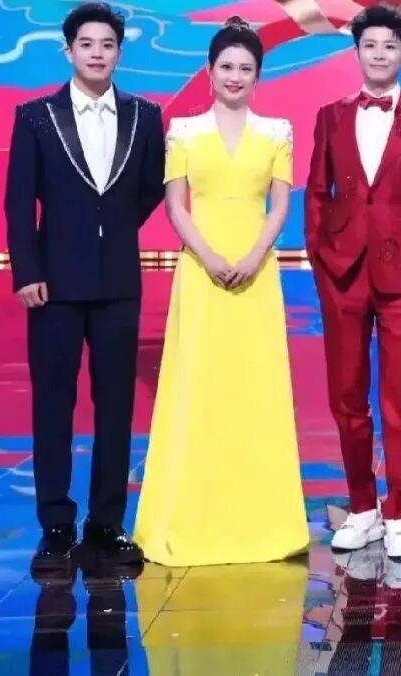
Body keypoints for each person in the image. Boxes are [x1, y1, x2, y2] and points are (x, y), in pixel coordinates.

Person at [132, 17, 309, 566]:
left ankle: (263, 521)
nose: (235, 76)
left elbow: (280, 204)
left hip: (258, 271)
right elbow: (175, 205)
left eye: (245, 68)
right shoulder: (183, 132)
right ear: (209, 71)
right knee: (199, 385)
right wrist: (209, 257)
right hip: (200, 270)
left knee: (255, 387)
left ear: (258, 74)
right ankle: (191, 515)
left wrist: (254, 256)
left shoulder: (277, 131)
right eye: (226, 66)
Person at [4, 2, 164, 571]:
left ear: (120, 52)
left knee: (115, 403)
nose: (97, 53)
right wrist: (28, 271)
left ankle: (106, 522)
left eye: (107, 44)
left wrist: (110, 232)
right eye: (87, 44)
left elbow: (149, 189)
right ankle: (55, 524)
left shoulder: (145, 115)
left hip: (118, 280)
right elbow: (19, 201)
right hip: (53, 284)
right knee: (54, 401)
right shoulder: (36, 117)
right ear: (68, 50)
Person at [305, 3, 401, 559]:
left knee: (400, 397)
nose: (380, 54)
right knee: (346, 394)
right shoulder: (331, 116)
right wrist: (320, 258)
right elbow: (317, 193)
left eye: (390, 46)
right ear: (357, 51)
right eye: (370, 45)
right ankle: (362, 506)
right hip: (341, 271)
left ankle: (399, 511)